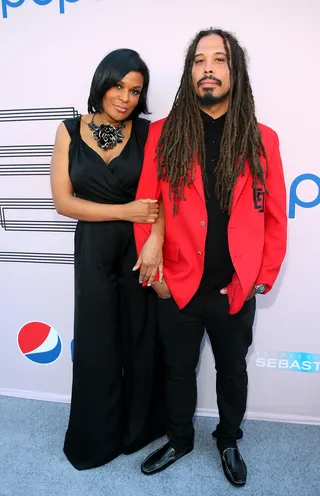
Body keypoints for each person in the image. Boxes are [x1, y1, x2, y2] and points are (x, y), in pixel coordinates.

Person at [134, 28, 287, 486]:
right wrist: (155, 273)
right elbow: (146, 206)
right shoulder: (164, 134)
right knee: (177, 370)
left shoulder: (264, 139)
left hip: (234, 286)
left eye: (219, 60)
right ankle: (179, 438)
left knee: (232, 371)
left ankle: (228, 438)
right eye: (199, 60)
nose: (208, 68)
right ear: (189, 72)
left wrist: (261, 276)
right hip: (178, 281)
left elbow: (276, 216)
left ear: (233, 71)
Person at [50, 48, 165, 470]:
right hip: (94, 246)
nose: (126, 97)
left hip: (139, 247)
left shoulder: (149, 133)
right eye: (119, 85)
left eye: (136, 90)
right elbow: (64, 202)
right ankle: (95, 437)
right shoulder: (68, 130)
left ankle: (139, 429)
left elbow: (164, 196)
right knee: (97, 340)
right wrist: (125, 210)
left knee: (139, 336)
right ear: (102, 83)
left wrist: (153, 240)